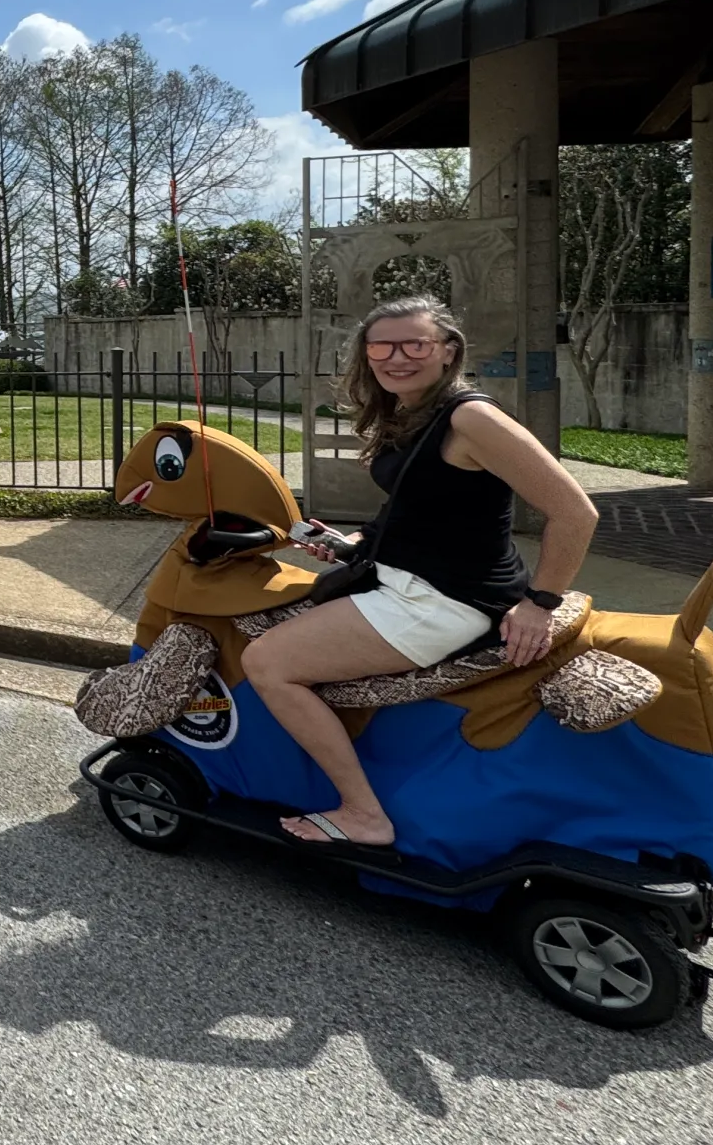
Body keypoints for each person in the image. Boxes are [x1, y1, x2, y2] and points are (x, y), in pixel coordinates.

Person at [243, 295, 598, 846]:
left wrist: (541, 602)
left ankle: (363, 815)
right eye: (381, 344)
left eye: (416, 343)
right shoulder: (414, 413)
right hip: (410, 580)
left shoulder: (471, 417)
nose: (396, 356)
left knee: (266, 662)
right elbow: (419, 504)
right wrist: (356, 544)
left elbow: (576, 512)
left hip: (443, 602)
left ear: (448, 351)